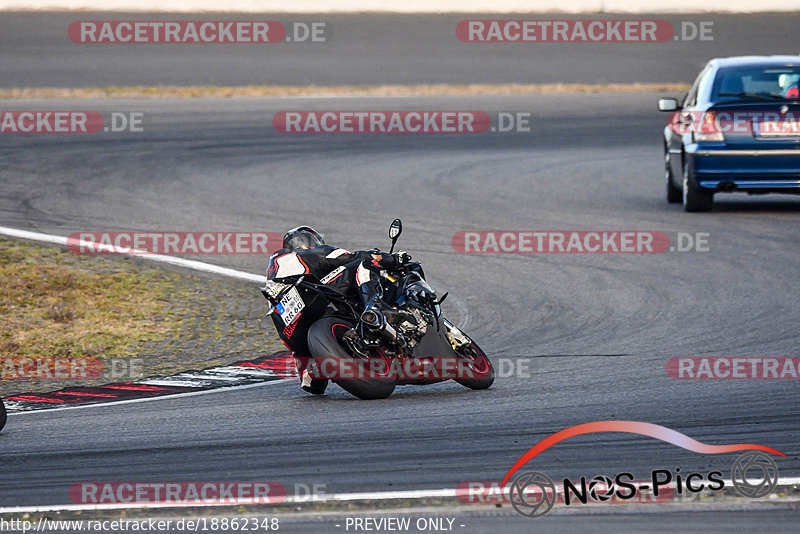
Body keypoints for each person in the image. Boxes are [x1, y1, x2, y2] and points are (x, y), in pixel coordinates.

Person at [266, 226, 410, 394]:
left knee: (312, 380)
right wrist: (391, 259)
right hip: (309, 295)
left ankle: (311, 370)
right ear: (309, 241)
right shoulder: (308, 254)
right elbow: (351, 257)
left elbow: (315, 389)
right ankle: (374, 307)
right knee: (362, 264)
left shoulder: (273, 275)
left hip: (287, 324)